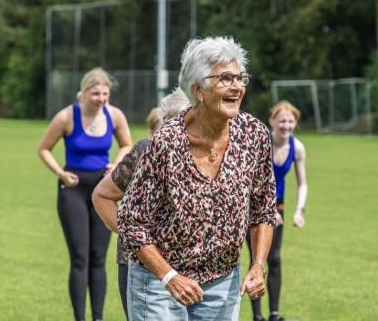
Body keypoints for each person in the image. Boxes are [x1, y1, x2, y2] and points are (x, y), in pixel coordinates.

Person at [117, 36, 278, 321]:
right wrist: (169, 277)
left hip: (223, 281)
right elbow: (131, 220)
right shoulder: (167, 141)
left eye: (240, 78)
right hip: (159, 283)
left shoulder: (255, 135)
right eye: (225, 79)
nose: (237, 87)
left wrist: (258, 264)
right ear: (198, 89)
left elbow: (264, 208)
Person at [38, 67, 133, 321]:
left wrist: (117, 164)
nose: (101, 98)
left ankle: (98, 317)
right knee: (80, 258)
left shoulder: (114, 116)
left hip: (102, 192)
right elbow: (44, 149)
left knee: (98, 258)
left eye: (105, 93)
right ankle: (80, 318)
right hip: (73, 190)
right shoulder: (67, 117)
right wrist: (60, 173)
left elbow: (127, 145)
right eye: (96, 93)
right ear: (84, 92)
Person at [92, 87, 191, 320]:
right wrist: (135, 237)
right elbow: (102, 195)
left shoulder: (212, 151)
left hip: (190, 265)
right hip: (138, 263)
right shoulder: (145, 150)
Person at [247, 100, 308, 321]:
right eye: (282, 120)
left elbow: (302, 183)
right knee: (257, 257)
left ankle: (274, 314)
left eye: (291, 121)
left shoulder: (297, 147)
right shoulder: (261, 145)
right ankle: (257, 316)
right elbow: (250, 180)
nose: (286, 125)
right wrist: (265, 209)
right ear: (272, 121)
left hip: (278, 209)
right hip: (253, 209)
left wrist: (299, 211)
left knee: (274, 258)